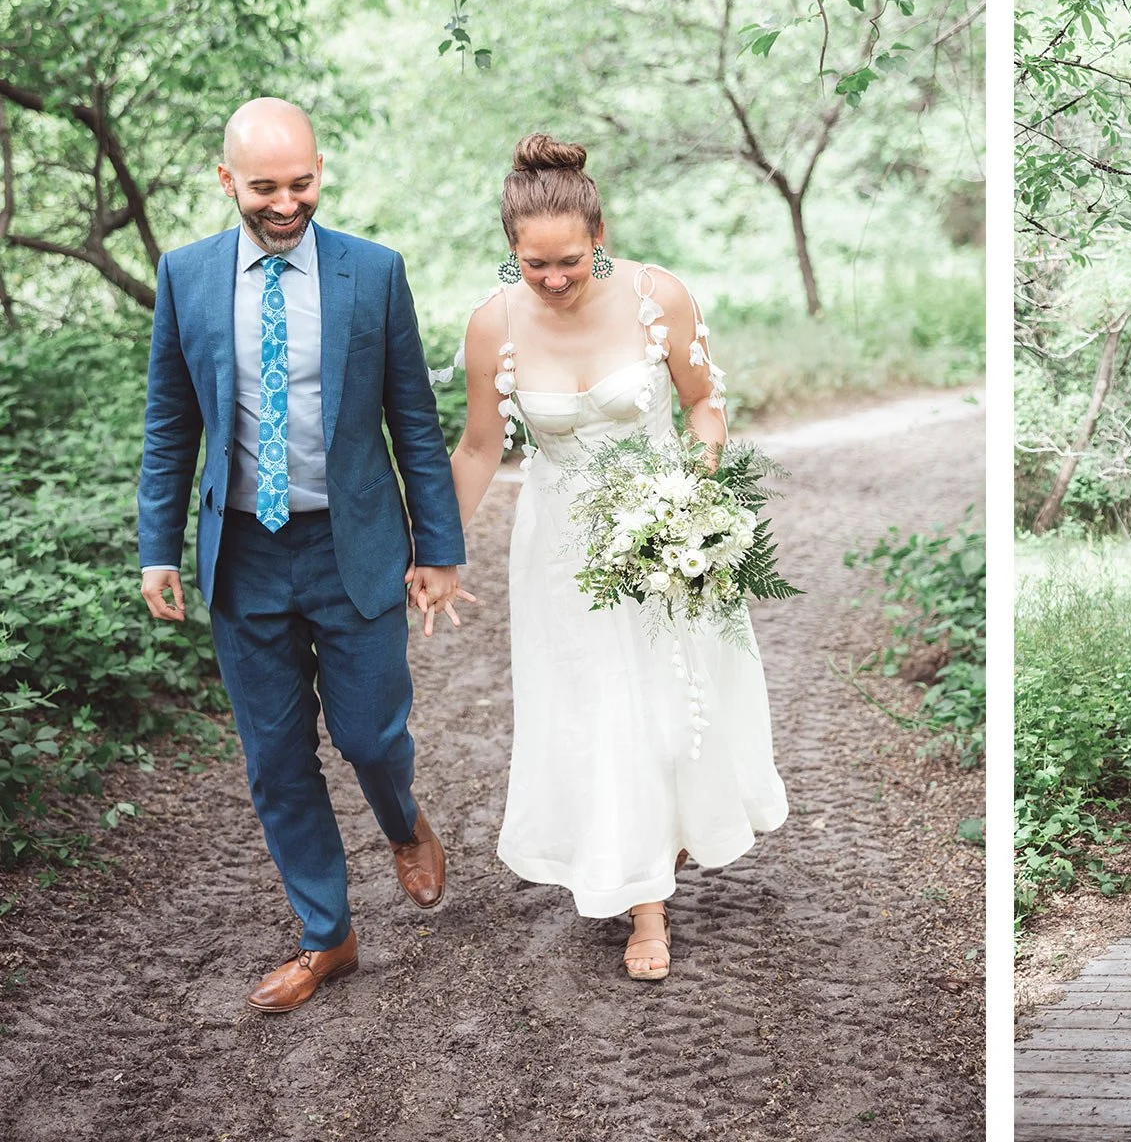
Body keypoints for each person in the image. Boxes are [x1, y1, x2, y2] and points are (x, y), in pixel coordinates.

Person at [137, 97, 467, 1013]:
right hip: (242, 554)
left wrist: (439, 547)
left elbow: (414, 419)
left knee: (369, 735)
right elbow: (170, 422)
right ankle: (328, 936)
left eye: (302, 183)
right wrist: (156, 548)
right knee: (276, 759)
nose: (286, 204)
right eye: (264, 188)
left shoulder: (374, 271)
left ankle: (401, 819)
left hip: (351, 544)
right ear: (226, 181)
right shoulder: (186, 275)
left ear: (320, 171)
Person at [445, 134, 788, 981]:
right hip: (562, 551)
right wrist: (434, 549)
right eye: (533, 265)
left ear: (599, 236)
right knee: (601, 713)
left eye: (569, 261)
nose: (553, 279)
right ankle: (645, 904)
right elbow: (479, 448)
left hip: (662, 533)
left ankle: (664, 839)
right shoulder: (494, 324)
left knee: (675, 708)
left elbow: (704, 406)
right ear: (511, 250)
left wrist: (692, 498)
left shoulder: (657, 298)